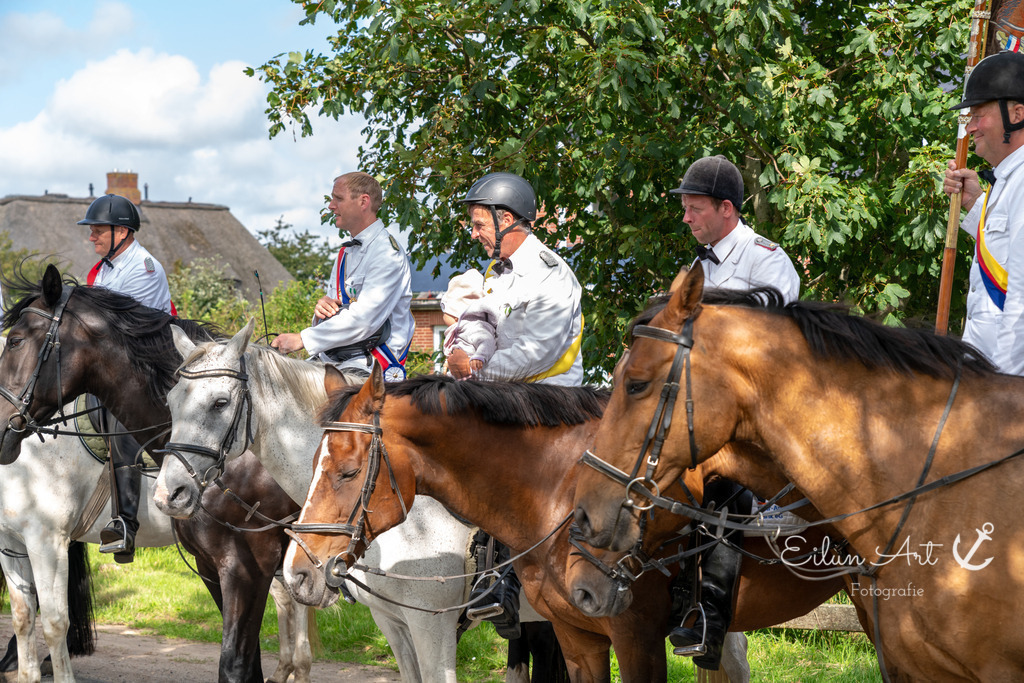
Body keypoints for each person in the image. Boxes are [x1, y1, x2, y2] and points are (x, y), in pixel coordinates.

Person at [666, 155, 801, 670]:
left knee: (724, 484)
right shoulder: (697, 266)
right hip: (710, 411)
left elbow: (770, 344)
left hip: (762, 415)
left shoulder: (769, 260)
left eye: (694, 208)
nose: (687, 218)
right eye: (685, 209)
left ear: (726, 209)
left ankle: (710, 618)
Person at [445, 172, 584, 640]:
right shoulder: (495, 272)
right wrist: (464, 352)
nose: (474, 232)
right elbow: (481, 321)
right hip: (505, 391)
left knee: (497, 455)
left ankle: (501, 578)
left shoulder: (550, 274)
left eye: (480, 223)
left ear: (506, 220)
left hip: (552, 398)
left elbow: (534, 353)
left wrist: (476, 373)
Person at [76, 193, 173, 563]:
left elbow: (115, 331)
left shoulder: (144, 268)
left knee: (120, 426)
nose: (92, 237)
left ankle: (125, 523)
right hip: (110, 368)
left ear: (121, 230)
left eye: (97, 230)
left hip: (144, 370)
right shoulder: (103, 269)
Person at [272, 173, 414, 381]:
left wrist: (302, 339)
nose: (331, 206)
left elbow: (364, 320)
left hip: (372, 367)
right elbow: (339, 308)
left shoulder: (387, 253)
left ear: (363, 201)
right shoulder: (345, 252)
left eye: (338, 198)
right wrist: (323, 309)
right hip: (340, 360)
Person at [943, 52, 1024, 375]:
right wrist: (976, 203)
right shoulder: (1009, 179)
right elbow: (1005, 253)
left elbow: (1020, 304)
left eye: (978, 115)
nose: (971, 127)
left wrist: (1006, 394)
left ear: (1018, 113)